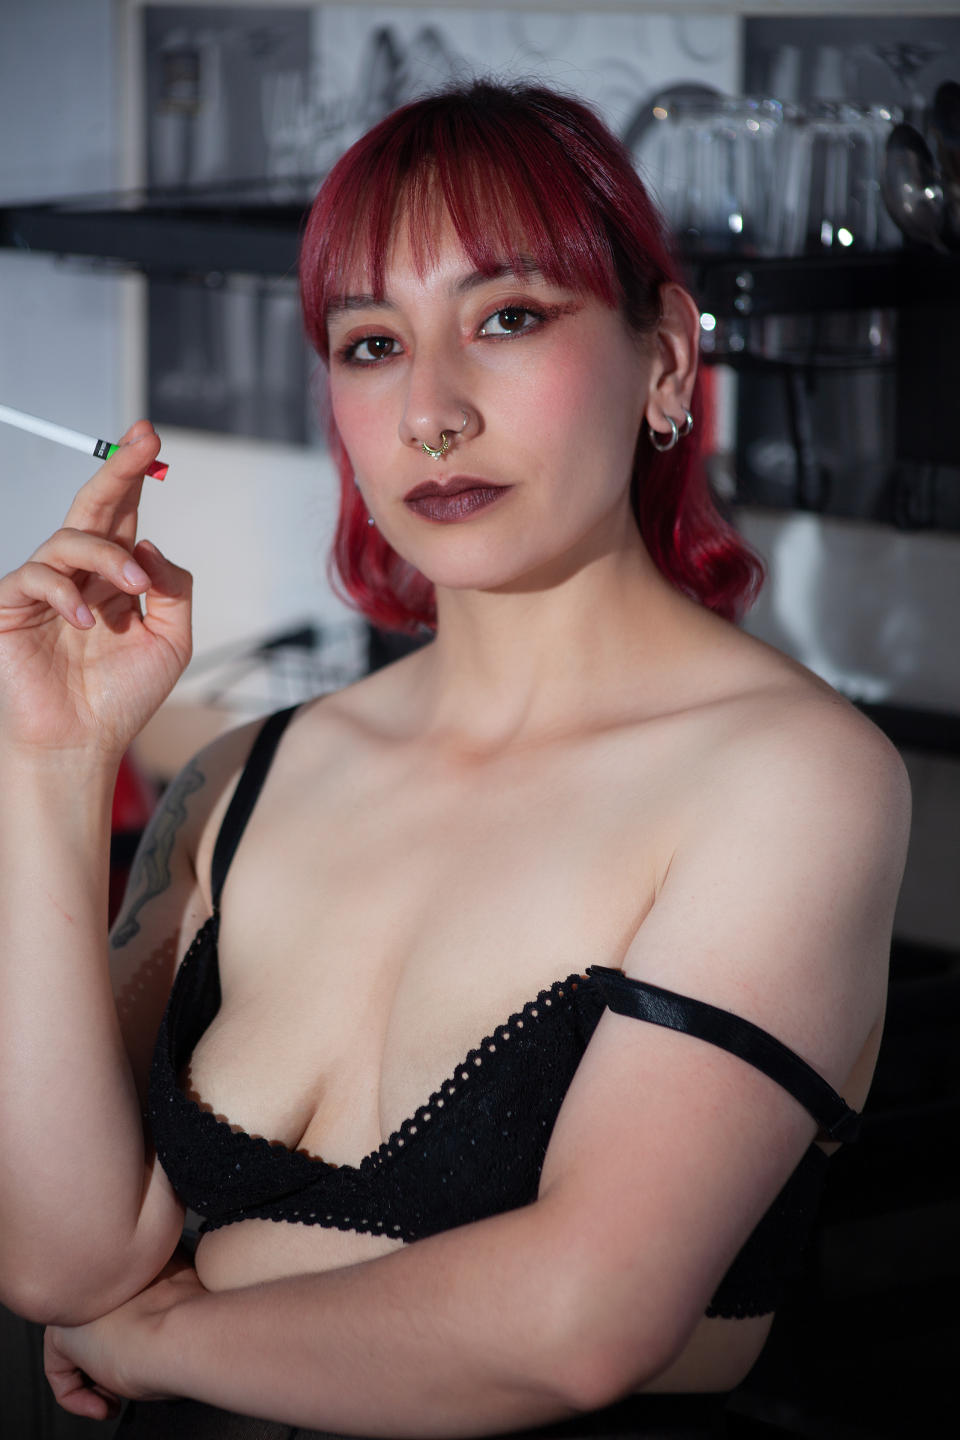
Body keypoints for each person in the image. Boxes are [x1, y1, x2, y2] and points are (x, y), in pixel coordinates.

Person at [0, 80, 909, 1440]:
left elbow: (581, 1321)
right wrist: (50, 763)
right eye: (372, 344)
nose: (431, 411)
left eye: (508, 318)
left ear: (667, 360)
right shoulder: (241, 779)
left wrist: (162, 1339)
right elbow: (59, 1263)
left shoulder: (794, 780)